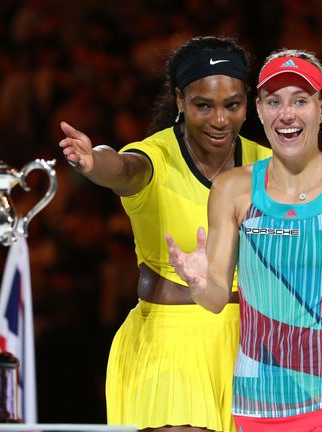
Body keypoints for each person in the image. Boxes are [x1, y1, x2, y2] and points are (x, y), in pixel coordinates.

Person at [167, 49, 322, 432]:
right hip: (260, 401)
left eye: (300, 100)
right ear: (260, 110)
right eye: (274, 101)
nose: (287, 114)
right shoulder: (233, 189)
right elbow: (215, 299)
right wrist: (198, 283)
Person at [59, 36, 271, 432]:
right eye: (203, 105)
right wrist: (93, 163)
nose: (219, 119)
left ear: (249, 102)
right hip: (171, 342)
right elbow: (122, 168)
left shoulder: (267, 164)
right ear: (180, 100)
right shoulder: (155, 156)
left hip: (254, 347)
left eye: (232, 105)